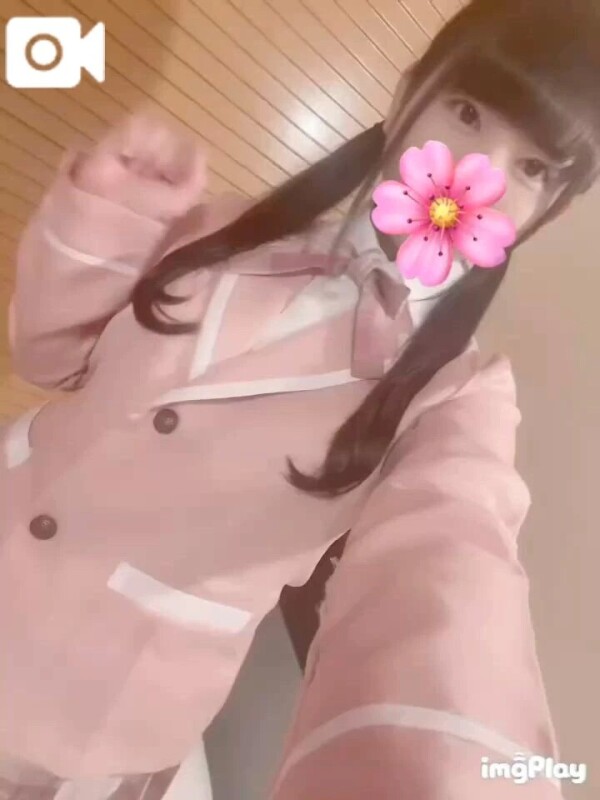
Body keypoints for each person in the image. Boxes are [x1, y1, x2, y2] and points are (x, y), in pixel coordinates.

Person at [1, 0, 599, 797]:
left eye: (534, 169)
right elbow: (48, 357)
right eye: (466, 111)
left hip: (80, 711)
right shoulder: (226, 228)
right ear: (405, 94)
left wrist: (459, 766)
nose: (480, 172)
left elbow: (457, 571)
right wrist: (108, 215)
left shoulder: (458, 397)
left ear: (554, 207)